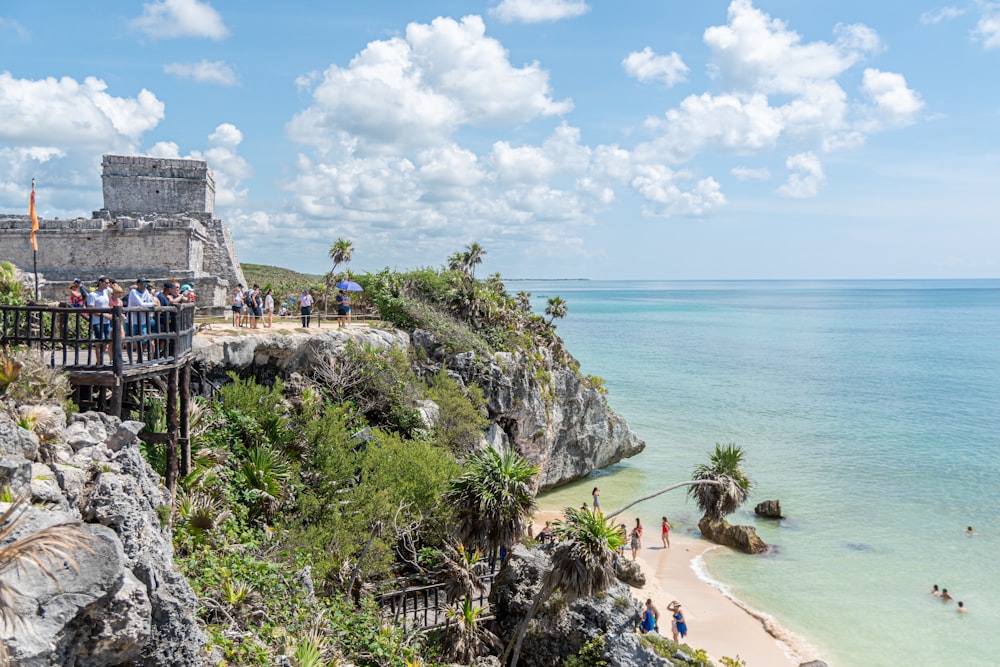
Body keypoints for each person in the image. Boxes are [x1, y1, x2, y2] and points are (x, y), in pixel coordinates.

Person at [85, 276, 113, 362]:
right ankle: (99, 361)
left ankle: (100, 359)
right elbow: (91, 309)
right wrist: (104, 315)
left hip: (106, 321)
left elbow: (108, 304)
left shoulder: (105, 293)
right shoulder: (92, 295)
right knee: (99, 341)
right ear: (100, 283)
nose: (108, 284)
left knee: (106, 341)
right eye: (106, 282)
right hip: (97, 321)